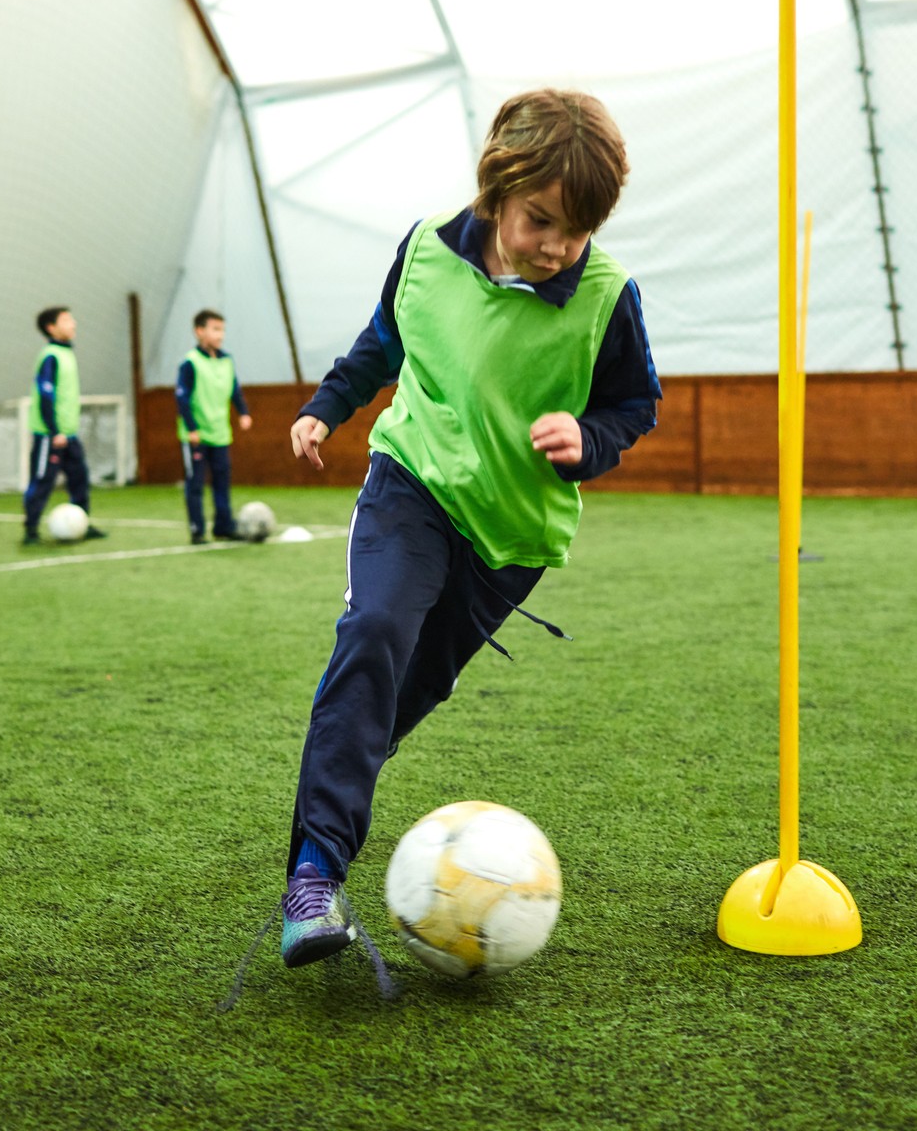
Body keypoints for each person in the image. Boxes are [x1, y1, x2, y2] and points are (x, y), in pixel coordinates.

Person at [276, 90, 661, 967]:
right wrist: (326, 407)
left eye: (580, 228)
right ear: (498, 187)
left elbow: (634, 404)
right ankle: (314, 874)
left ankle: (329, 808)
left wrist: (587, 439)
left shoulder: (606, 296)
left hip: (510, 537)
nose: (560, 245)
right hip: (411, 481)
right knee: (372, 634)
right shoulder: (424, 251)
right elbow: (385, 342)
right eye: (542, 220)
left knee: (403, 696)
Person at [22, 307, 108, 545]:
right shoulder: (50, 356)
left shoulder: (67, 353)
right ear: (51, 327)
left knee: (79, 477)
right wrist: (54, 431)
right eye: (67, 320)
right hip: (50, 434)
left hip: (69, 433)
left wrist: (66, 431)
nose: (73, 324)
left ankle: (83, 521)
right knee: (42, 480)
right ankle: (30, 529)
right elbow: (46, 396)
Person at [175, 309, 252, 546]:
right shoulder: (190, 363)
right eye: (215, 329)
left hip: (220, 434)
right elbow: (182, 397)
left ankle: (223, 526)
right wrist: (192, 428)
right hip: (196, 436)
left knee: (222, 481)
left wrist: (243, 412)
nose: (220, 335)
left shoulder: (226, 360)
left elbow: (234, 389)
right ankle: (197, 529)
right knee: (196, 483)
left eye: (222, 330)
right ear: (200, 331)